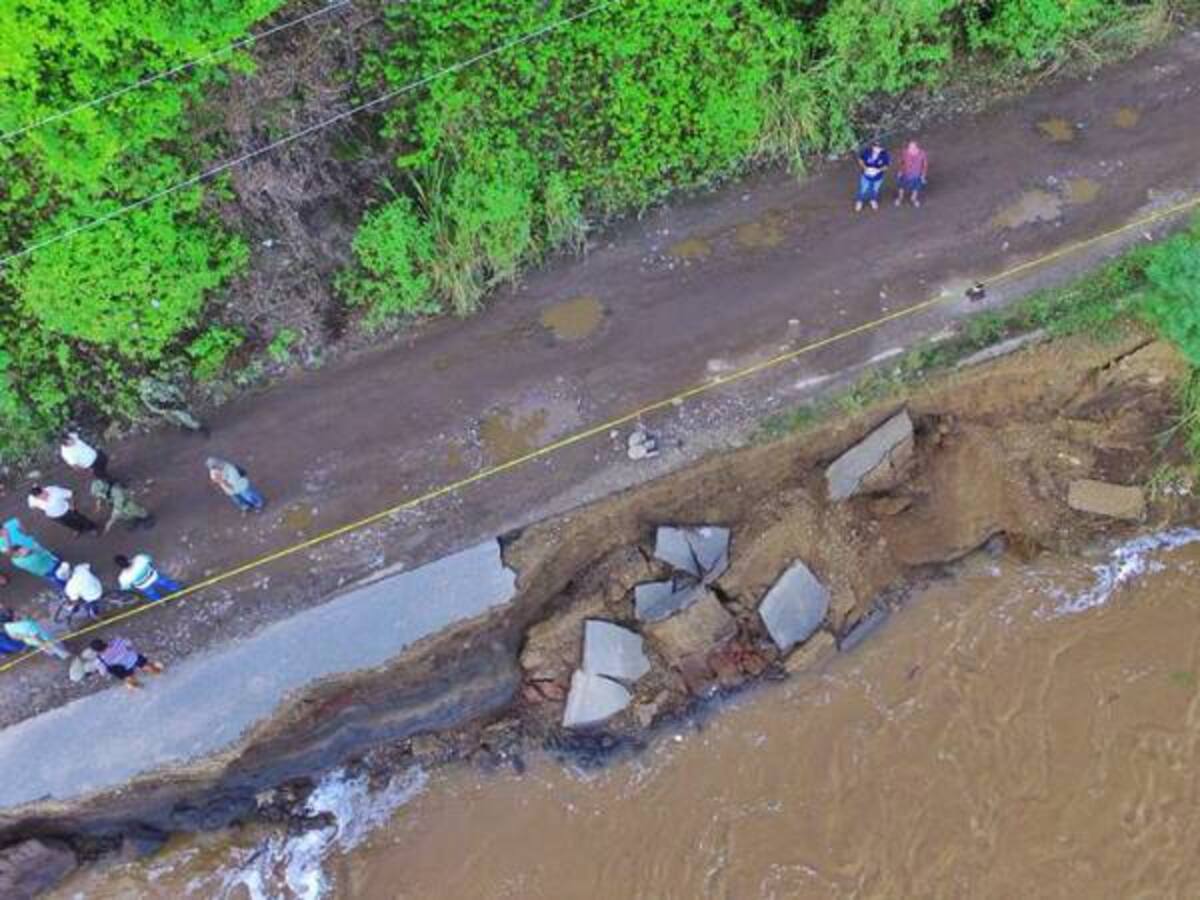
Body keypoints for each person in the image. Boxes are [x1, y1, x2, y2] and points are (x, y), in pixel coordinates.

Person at [88, 637, 163, 689]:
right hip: (134, 659)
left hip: (124, 670)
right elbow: (129, 643)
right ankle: (158, 671)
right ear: (103, 641)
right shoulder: (117, 641)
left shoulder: (99, 660)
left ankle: (137, 686)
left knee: (128, 679)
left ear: (96, 651)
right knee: (147, 667)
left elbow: (103, 672)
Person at [28, 485, 98, 536]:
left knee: (80, 519)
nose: (42, 498)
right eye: (39, 498)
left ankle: (91, 528)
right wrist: (44, 511)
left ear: (43, 490)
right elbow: (32, 507)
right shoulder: (32, 498)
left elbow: (71, 494)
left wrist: (72, 505)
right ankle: (78, 529)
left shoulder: (55, 491)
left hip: (66, 510)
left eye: (43, 495)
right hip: (54, 516)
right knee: (68, 524)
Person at [90, 479, 155, 532]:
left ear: (103, 490)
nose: (98, 495)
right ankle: (136, 518)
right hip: (121, 506)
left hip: (127, 504)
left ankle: (147, 518)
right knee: (127, 514)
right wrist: (99, 504)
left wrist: (110, 523)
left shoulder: (116, 492)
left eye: (98, 493)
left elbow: (117, 510)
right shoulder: (107, 492)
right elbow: (100, 498)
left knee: (137, 511)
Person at [1, 610, 71, 659]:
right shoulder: (27, 624)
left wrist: (25, 636)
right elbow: (36, 637)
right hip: (44, 639)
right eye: (15, 613)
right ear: (13, 617)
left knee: (48, 649)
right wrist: (44, 644)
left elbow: (16, 637)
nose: (17, 613)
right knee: (57, 648)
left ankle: (53, 653)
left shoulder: (7, 626)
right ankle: (67, 656)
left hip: (31, 642)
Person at [115, 553, 181, 602]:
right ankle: (178, 590)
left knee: (152, 594)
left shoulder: (123, 578)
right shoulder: (139, 558)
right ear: (126, 558)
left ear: (120, 566)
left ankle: (161, 602)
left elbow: (127, 588)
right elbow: (150, 560)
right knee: (166, 583)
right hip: (154, 577)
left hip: (144, 586)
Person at [855, 140, 890, 212]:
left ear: (882, 148)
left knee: (875, 189)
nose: (876, 149)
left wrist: (878, 170)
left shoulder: (885, 154)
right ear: (872, 147)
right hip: (866, 175)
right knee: (863, 189)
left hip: (878, 177)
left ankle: (873, 200)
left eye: (878, 148)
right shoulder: (867, 152)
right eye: (875, 147)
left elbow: (886, 166)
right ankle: (859, 202)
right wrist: (864, 167)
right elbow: (860, 159)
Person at [894, 140, 928, 208]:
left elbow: (925, 165)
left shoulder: (922, 153)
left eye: (913, 147)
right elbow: (901, 162)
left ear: (916, 147)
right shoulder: (905, 152)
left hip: (916, 174)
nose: (910, 149)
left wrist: (923, 175)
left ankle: (914, 199)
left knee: (916, 188)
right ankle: (900, 198)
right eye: (909, 147)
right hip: (905, 173)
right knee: (901, 187)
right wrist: (900, 171)